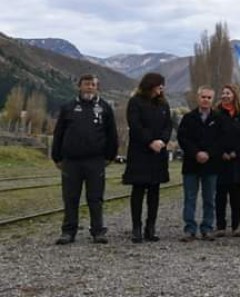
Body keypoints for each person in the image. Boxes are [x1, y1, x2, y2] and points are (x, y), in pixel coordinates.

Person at [52, 74, 119, 245]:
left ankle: (98, 231)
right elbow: (59, 133)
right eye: (87, 84)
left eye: (93, 85)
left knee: (95, 198)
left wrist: (110, 156)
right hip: (71, 161)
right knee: (70, 198)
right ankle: (68, 232)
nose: (90, 87)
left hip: (95, 161)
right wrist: (57, 157)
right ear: (79, 86)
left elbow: (112, 134)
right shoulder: (68, 107)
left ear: (97, 87)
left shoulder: (105, 108)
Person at [123, 72, 172, 243]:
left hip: (158, 154)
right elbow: (135, 126)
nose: (161, 88)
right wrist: (150, 141)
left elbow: (168, 126)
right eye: (159, 84)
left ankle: (150, 227)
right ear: (151, 85)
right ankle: (136, 228)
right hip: (140, 153)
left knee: (154, 192)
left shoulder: (164, 104)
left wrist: (162, 141)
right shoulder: (135, 102)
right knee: (138, 191)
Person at [178, 86, 225, 241]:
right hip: (191, 164)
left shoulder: (219, 119)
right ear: (198, 98)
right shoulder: (188, 118)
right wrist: (196, 153)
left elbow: (222, 141)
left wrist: (208, 154)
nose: (206, 100)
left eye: (209, 97)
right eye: (203, 97)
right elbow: (183, 139)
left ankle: (207, 228)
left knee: (209, 199)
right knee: (190, 198)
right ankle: (190, 229)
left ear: (213, 100)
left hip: (211, 165)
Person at [215, 84, 240, 237]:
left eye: (228, 93)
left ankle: (237, 225)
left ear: (234, 95)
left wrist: (237, 152)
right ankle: (220, 225)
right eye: (223, 93)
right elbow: (213, 136)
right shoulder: (216, 114)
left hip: (236, 160)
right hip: (220, 160)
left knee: (236, 195)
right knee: (220, 195)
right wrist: (221, 152)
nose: (225, 95)